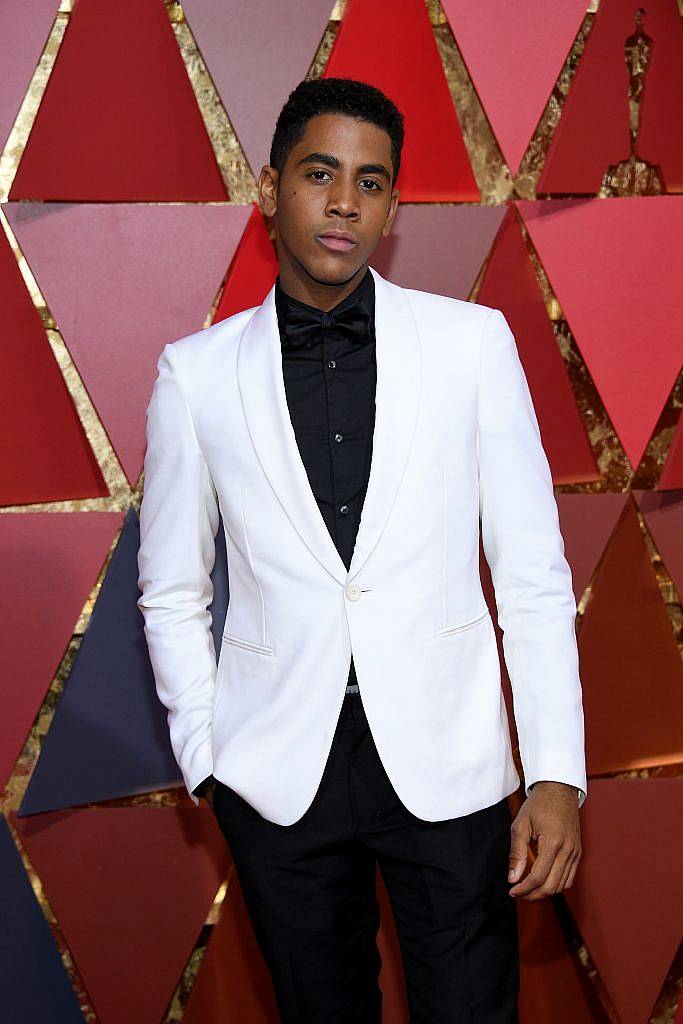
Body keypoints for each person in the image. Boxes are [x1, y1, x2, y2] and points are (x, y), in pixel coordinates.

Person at [137, 77, 587, 1023]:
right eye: (319, 173)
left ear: (391, 204)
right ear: (269, 188)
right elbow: (173, 588)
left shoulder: (471, 345)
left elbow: (533, 577)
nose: (345, 202)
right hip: (276, 776)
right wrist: (208, 758)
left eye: (371, 181)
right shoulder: (196, 374)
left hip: (450, 761)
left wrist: (552, 771)